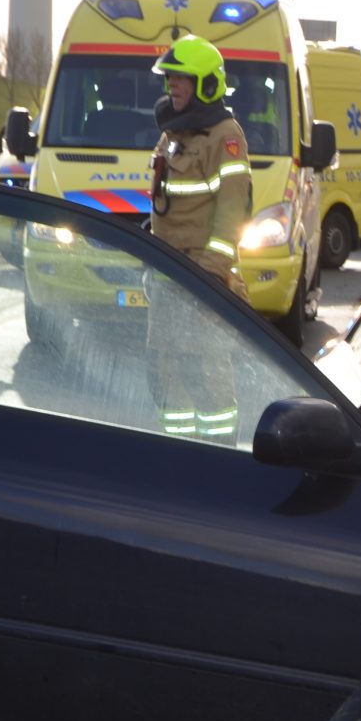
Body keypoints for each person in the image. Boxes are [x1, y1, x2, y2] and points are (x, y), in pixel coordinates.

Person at [145, 34, 251, 441]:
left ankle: (218, 454)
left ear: (206, 84)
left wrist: (208, 276)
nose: (172, 85)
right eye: (169, 78)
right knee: (164, 374)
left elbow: (231, 213)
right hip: (168, 277)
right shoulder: (173, 134)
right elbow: (165, 200)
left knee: (208, 380)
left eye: (181, 79)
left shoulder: (226, 136)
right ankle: (177, 454)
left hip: (200, 280)